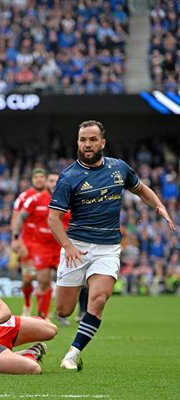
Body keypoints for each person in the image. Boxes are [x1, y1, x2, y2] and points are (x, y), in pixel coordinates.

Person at [48, 120, 175, 370]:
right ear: (78, 142)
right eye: (83, 139)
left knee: (99, 299)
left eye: (92, 139)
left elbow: (141, 189)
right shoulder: (68, 177)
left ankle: (72, 355)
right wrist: (68, 247)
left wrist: (159, 206)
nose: (87, 144)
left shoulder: (119, 168)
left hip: (107, 247)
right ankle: (70, 303)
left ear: (102, 142)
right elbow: (53, 218)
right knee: (63, 310)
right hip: (77, 247)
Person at [13, 172, 71, 325]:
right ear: (47, 183)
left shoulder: (68, 200)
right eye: (50, 181)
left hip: (61, 246)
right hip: (40, 246)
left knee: (61, 280)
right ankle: (38, 312)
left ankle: (53, 314)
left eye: (55, 181)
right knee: (40, 280)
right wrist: (16, 239)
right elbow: (19, 218)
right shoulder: (35, 199)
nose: (53, 183)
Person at [11, 168, 46, 316]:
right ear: (32, 180)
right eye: (36, 177)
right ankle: (27, 304)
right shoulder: (24, 197)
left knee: (45, 278)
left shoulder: (51, 196)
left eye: (41, 177)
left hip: (46, 243)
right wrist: (15, 239)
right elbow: (16, 217)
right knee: (28, 278)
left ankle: (44, 313)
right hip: (28, 243)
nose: (39, 180)